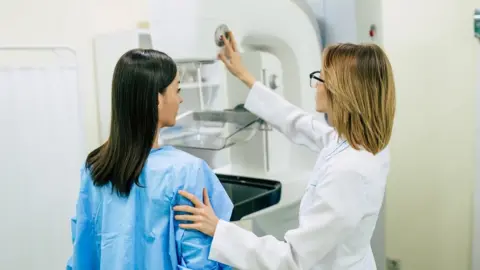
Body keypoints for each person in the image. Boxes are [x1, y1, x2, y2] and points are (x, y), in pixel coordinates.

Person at [173, 32, 396, 270]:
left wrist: (218, 229)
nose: (316, 85)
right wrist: (245, 77)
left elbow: (292, 259)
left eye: (322, 78)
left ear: (343, 92)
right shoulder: (362, 143)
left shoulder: (349, 171)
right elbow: (300, 123)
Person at [66, 49, 233, 270]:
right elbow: (202, 260)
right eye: (177, 90)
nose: (181, 99)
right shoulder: (187, 172)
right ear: (157, 99)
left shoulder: (95, 168)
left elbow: (82, 255)